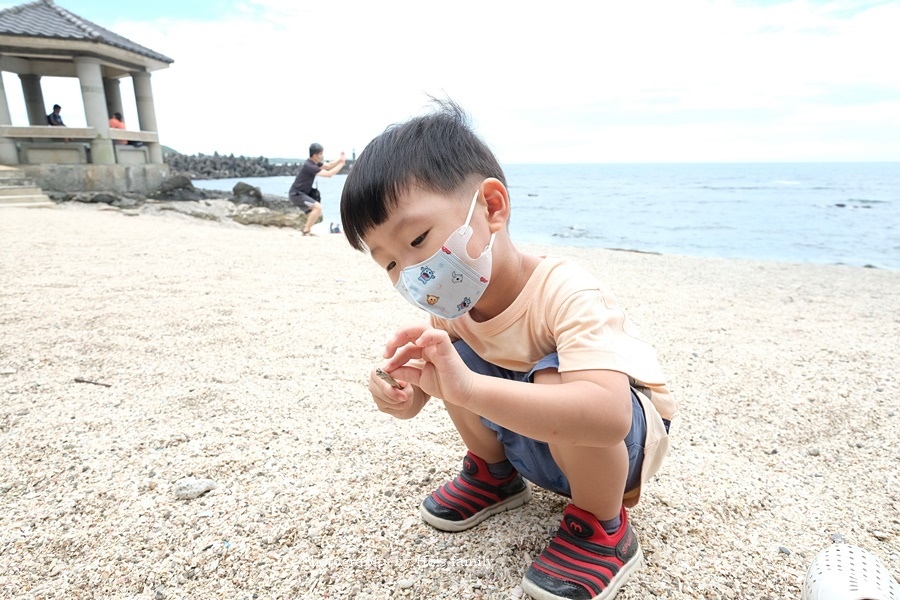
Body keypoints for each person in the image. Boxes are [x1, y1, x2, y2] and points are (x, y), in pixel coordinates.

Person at [339, 100, 676, 600]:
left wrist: (470, 386)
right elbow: (440, 385)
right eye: (389, 263)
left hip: (620, 445)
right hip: (536, 441)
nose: (411, 273)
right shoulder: (451, 308)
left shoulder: (566, 292)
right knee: (443, 353)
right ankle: (495, 477)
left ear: (491, 208)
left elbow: (609, 417)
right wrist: (406, 392)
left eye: (417, 239)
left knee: (550, 374)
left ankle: (604, 528)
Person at [288, 143, 346, 236]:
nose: (322, 156)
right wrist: (342, 164)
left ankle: (307, 230)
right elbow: (329, 174)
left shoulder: (313, 163)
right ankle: (306, 231)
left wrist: (340, 159)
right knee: (317, 207)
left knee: (316, 210)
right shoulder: (309, 166)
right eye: (320, 154)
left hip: (301, 193)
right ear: (315, 155)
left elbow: (328, 165)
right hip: (296, 194)